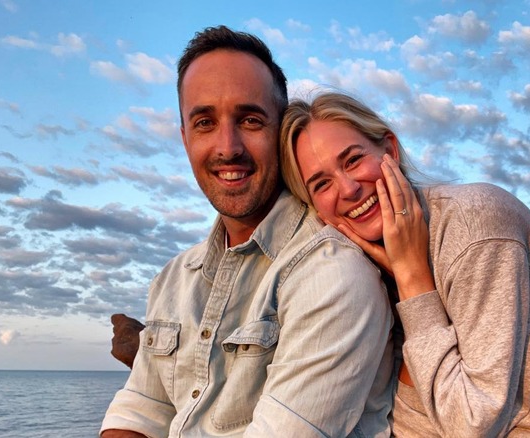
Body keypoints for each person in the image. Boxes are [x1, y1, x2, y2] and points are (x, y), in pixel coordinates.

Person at [278, 91, 530, 437]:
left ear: (389, 148)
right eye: (321, 184)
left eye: (353, 160)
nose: (348, 189)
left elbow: (471, 424)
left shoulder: (476, 227)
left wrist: (412, 277)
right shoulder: (361, 264)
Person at [100, 28, 396, 437]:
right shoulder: (174, 278)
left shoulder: (333, 273)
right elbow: (140, 410)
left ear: (281, 131)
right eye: (205, 122)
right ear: (185, 137)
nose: (228, 147)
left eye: (250, 120)